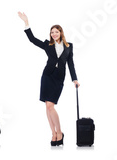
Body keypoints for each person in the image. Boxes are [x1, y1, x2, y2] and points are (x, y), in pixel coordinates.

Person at [18, 12, 80, 146]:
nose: (54, 34)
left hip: (58, 78)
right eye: (52, 32)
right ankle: (53, 133)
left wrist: (74, 79)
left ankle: (60, 132)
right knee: (48, 106)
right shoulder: (48, 45)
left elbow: (70, 64)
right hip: (47, 76)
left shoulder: (69, 46)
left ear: (61, 33)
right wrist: (26, 22)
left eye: (56, 32)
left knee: (50, 106)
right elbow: (33, 39)